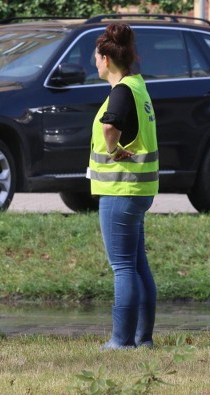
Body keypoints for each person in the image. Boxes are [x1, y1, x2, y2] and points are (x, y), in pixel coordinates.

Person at [88, 23, 159, 350]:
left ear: (106, 58)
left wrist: (113, 149)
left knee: (122, 267)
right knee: (137, 264)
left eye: (96, 56)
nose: (95, 62)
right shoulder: (138, 86)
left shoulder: (120, 91)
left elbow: (110, 126)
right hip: (139, 190)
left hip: (120, 190)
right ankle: (142, 339)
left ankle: (121, 341)